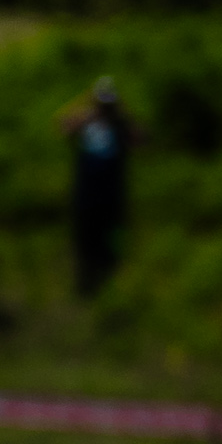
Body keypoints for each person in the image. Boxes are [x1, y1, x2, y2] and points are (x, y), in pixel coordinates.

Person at [64, 78, 138, 298]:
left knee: (110, 242)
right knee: (85, 241)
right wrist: (86, 110)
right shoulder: (87, 123)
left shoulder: (120, 126)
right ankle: (86, 285)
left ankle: (110, 285)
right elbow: (63, 126)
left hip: (111, 196)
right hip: (86, 195)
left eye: (108, 105)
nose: (104, 109)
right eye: (101, 104)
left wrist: (122, 116)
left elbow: (141, 139)